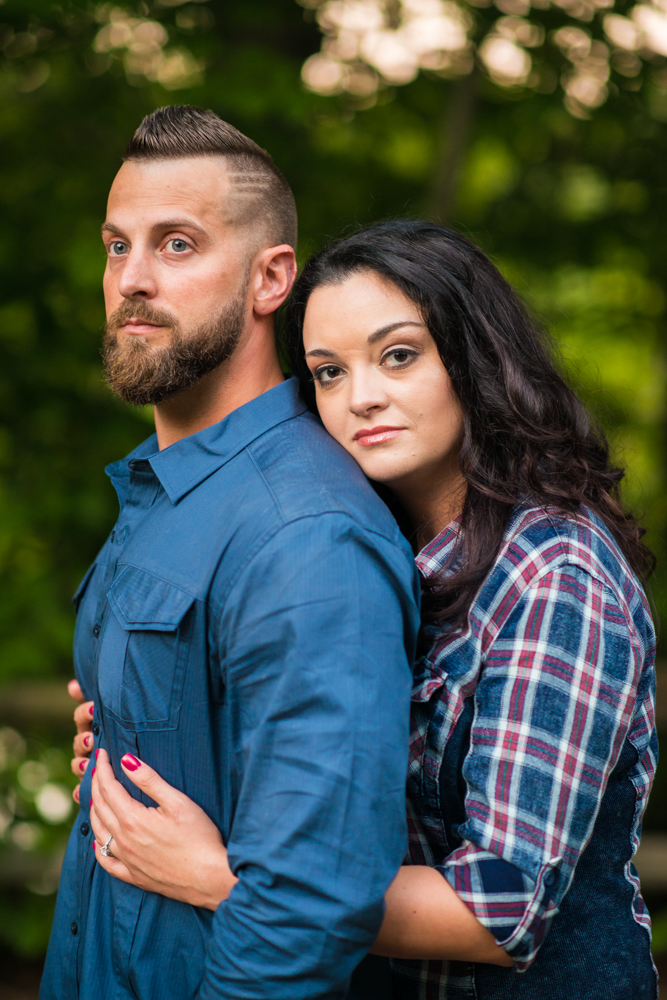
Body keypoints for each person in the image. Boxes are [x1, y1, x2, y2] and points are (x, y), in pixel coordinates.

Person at [74, 220, 658, 1000]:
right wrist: (150, 735)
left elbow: (500, 909)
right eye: (327, 372)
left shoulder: (557, 574)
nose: (361, 398)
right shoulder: (364, 551)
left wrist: (232, 880)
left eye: (398, 355)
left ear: (473, 357)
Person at [42, 107, 421, 1000]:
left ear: (269, 278)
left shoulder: (305, 533)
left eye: (176, 245)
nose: (131, 279)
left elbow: (308, 911)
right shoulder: (166, 486)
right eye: (116, 245)